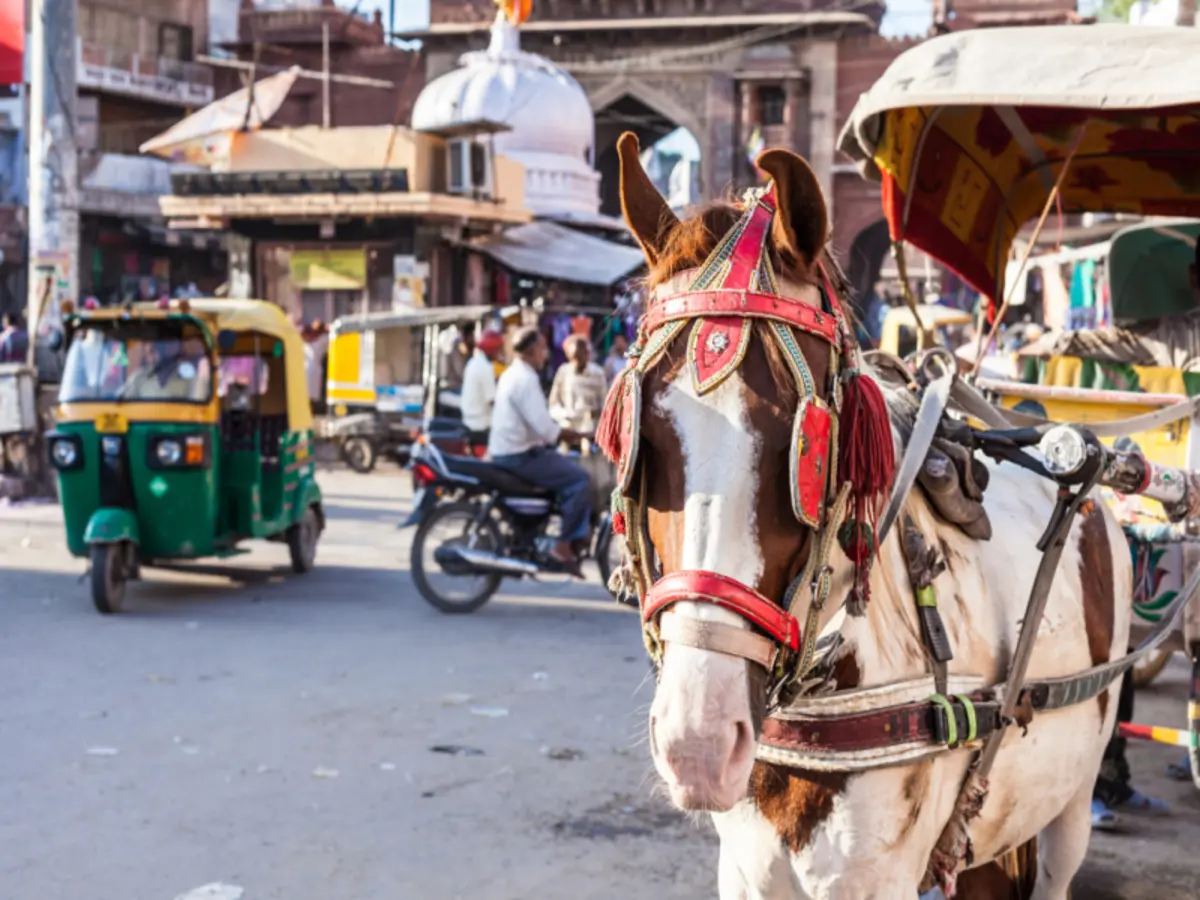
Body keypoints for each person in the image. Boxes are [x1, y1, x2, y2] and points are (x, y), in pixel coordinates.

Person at [489, 326, 593, 572]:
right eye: (543, 348)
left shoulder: (512, 374)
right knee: (580, 479)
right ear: (533, 350)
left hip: (516, 449)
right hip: (519, 455)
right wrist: (580, 435)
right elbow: (547, 430)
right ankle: (563, 546)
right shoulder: (525, 379)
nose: (546, 354)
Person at [548, 334, 608, 433]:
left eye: (582, 355)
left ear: (587, 354)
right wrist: (566, 415)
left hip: (591, 431)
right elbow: (553, 405)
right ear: (568, 356)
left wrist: (592, 415)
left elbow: (605, 405)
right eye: (575, 357)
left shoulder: (598, 373)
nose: (579, 360)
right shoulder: (563, 372)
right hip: (568, 430)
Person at [461, 329, 503, 447]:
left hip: (469, 421)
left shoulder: (473, 362)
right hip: (481, 425)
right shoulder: (485, 367)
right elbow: (492, 401)